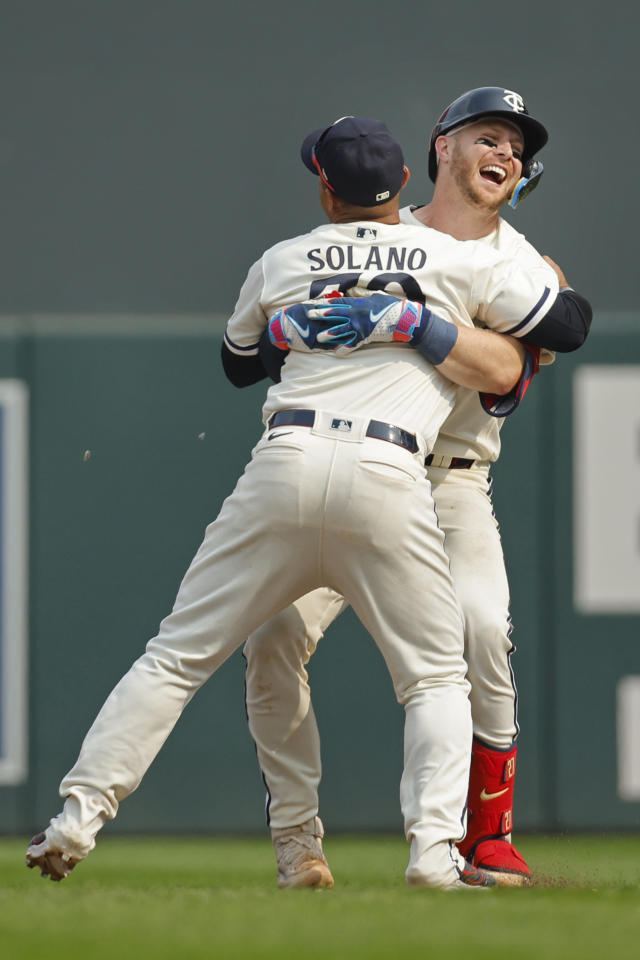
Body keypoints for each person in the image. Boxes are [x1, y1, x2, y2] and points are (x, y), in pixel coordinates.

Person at [26, 115, 580, 891]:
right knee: (431, 679)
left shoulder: (281, 258)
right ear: (417, 174)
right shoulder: (454, 258)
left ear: (325, 186)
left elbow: (238, 364)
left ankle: (74, 821)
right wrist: (460, 310)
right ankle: (430, 854)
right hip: (391, 471)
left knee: (175, 658)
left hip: (293, 464)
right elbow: (566, 326)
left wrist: (294, 333)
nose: (505, 154)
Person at [238, 89, 593, 889]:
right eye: (486, 136)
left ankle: (487, 834)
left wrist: (409, 324)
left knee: (478, 629)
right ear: (441, 147)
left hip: (450, 480)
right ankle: (298, 840)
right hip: (347, 465)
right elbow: (264, 345)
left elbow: (510, 372)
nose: (504, 153)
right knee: (272, 640)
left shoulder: (526, 270)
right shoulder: (364, 236)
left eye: (515, 147)